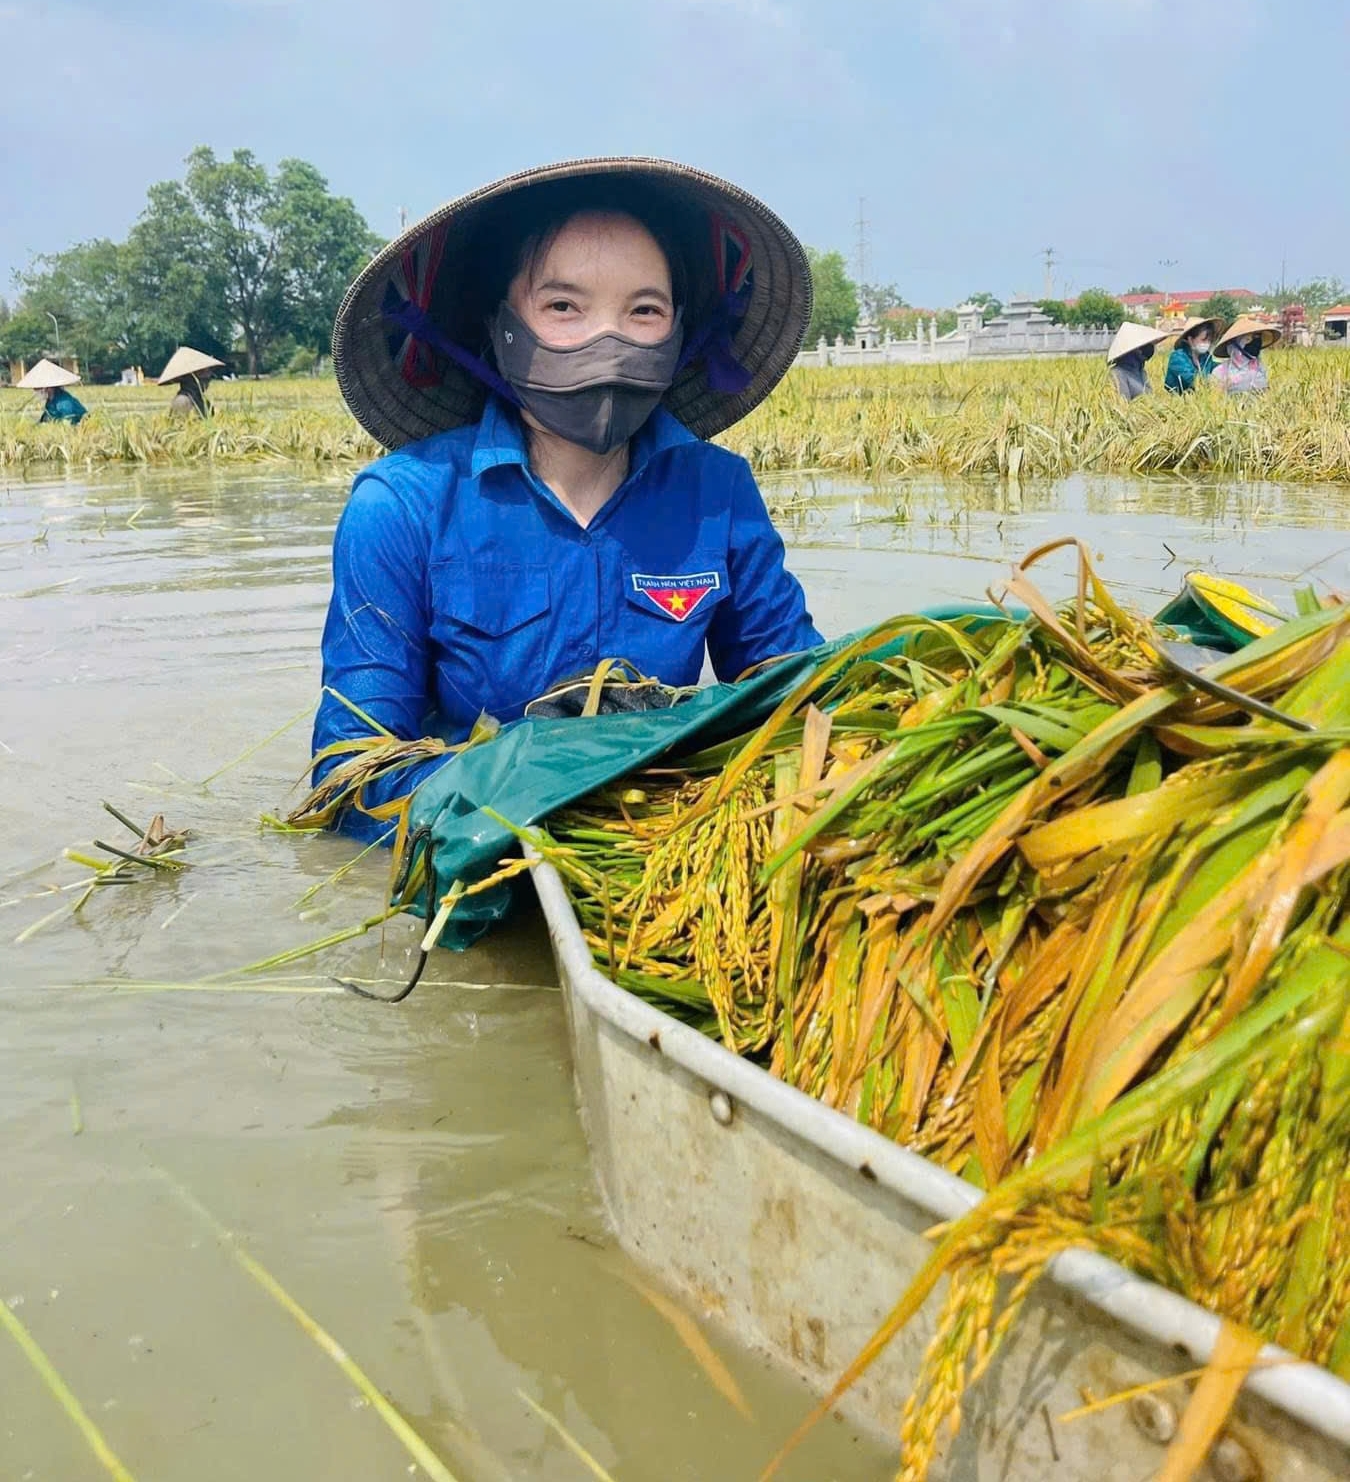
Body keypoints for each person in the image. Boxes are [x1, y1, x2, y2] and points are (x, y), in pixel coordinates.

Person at [314, 158, 822, 843]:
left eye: (644, 311)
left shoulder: (717, 495)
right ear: (501, 329)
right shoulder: (401, 509)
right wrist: (523, 773)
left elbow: (799, 705)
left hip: (661, 846)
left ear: (676, 334)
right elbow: (350, 780)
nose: (607, 342)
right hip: (479, 855)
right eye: (563, 307)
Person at [1211, 315, 1280, 395]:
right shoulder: (1220, 372)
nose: (1255, 342)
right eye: (1248, 339)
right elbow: (1216, 399)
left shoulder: (1261, 368)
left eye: (1257, 338)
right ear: (1235, 344)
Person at [1106, 322, 1170, 401]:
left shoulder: (1141, 371)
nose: (1149, 348)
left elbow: (1150, 396)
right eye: (1144, 345)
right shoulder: (1118, 374)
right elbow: (1123, 404)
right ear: (1132, 350)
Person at [156, 346, 225, 416]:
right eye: (204, 373)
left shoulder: (203, 402)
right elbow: (178, 426)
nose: (209, 376)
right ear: (191, 377)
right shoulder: (182, 401)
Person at [13, 358, 87, 423]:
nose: (35, 392)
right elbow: (45, 419)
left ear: (47, 388)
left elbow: (68, 423)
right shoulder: (50, 402)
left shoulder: (63, 402)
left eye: (37, 389)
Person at [1163, 317, 1219, 394]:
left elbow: (1218, 369)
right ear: (1190, 340)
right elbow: (1193, 380)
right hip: (1178, 402)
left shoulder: (1206, 357)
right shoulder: (1178, 357)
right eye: (1203, 340)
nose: (1207, 343)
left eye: (1209, 340)